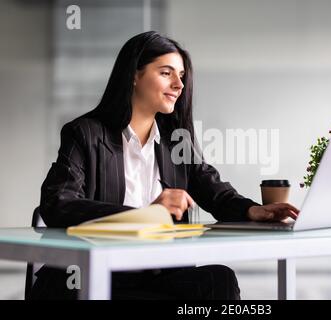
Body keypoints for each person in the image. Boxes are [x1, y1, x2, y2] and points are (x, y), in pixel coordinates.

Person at [30, 31, 299, 300]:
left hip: (154, 275)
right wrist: (145, 214)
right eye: (166, 73)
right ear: (134, 75)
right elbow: (57, 202)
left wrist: (253, 210)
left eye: (181, 76)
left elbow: (216, 193)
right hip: (90, 276)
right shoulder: (85, 133)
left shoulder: (176, 142)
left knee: (219, 280)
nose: (179, 85)